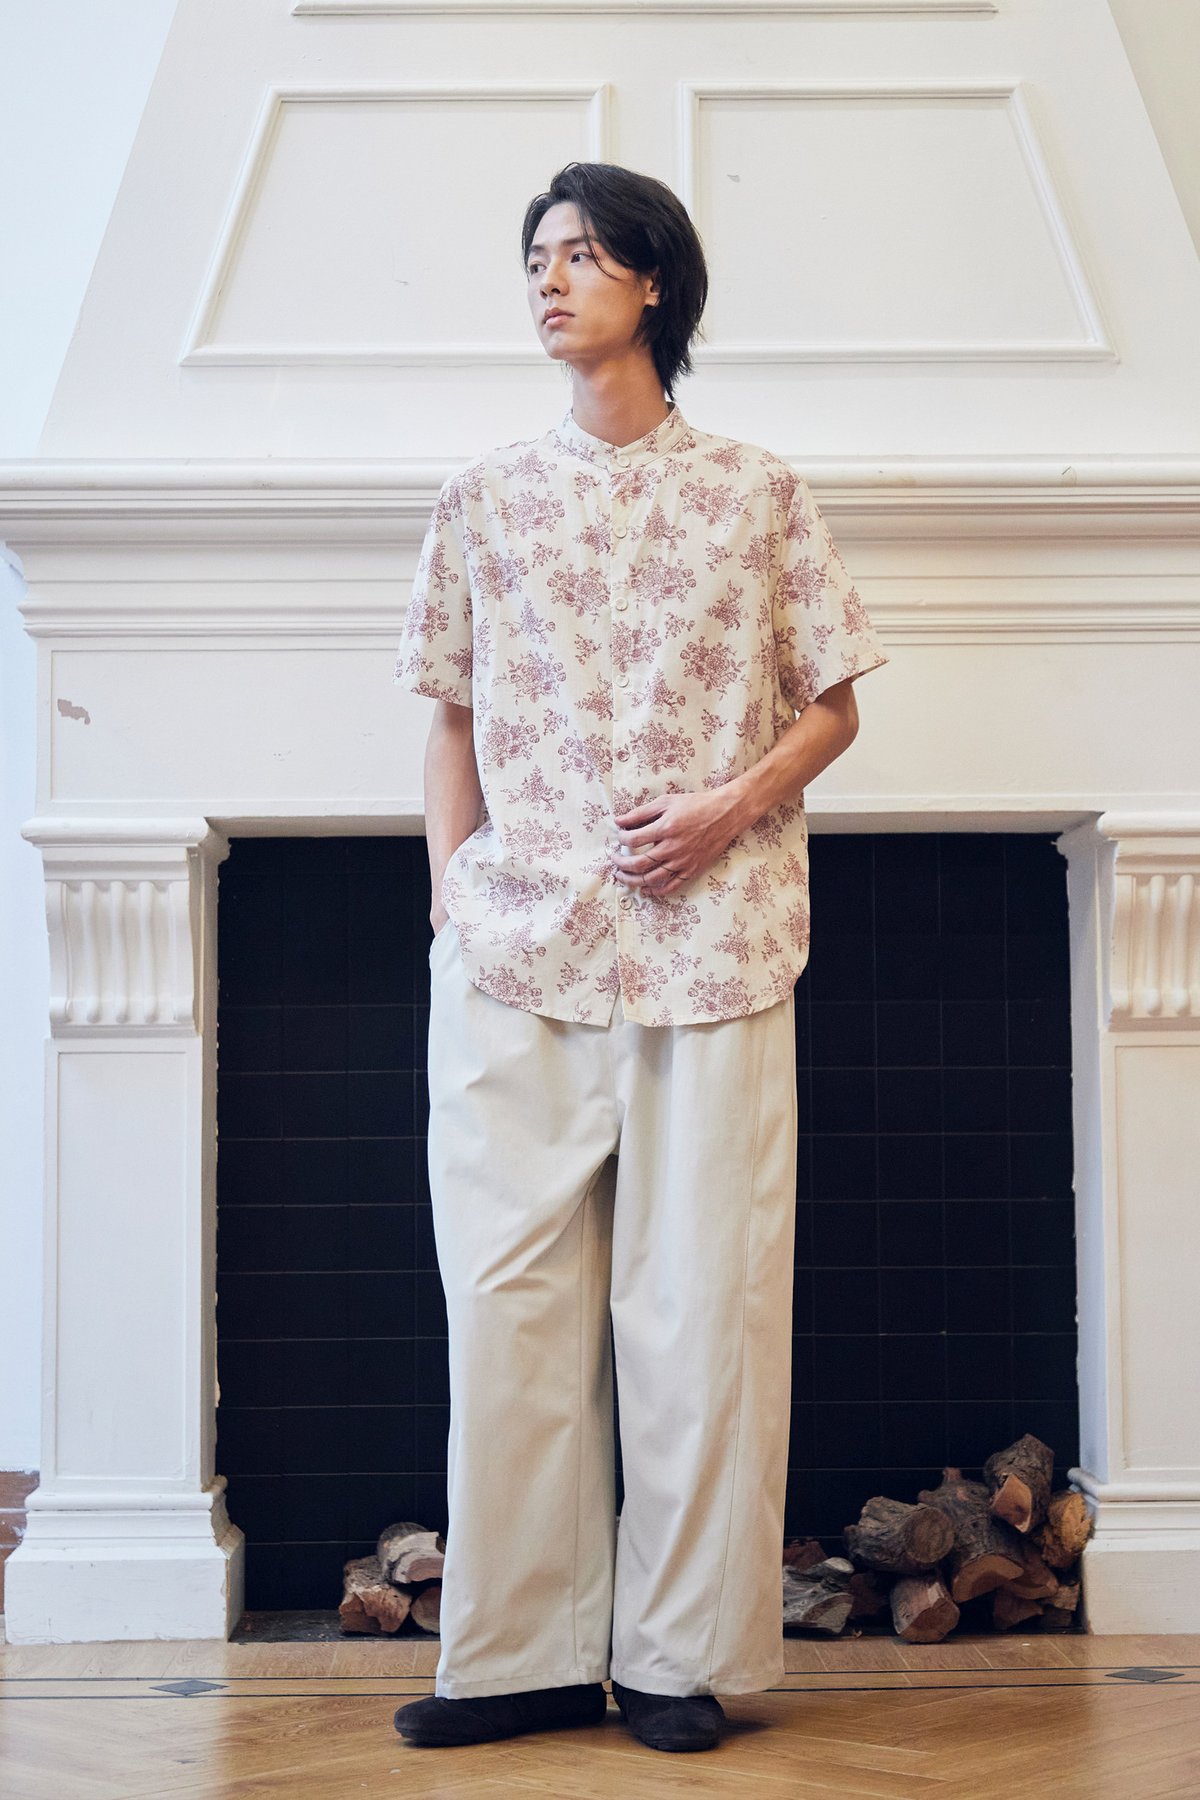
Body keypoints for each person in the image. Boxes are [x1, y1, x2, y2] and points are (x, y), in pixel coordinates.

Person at [390, 161, 889, 1754]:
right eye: (536, 259)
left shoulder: (757, 493)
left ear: (654, 282)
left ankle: (678, 1662)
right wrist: (452, 895)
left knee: (701, 1314)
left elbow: (834, 704)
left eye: (583, 256)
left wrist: (731, 806)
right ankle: (518, 1661)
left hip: (714, 944)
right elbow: (449, 717)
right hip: (515, 951)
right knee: (508, 1311)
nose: (550, 281)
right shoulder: (482, 498)